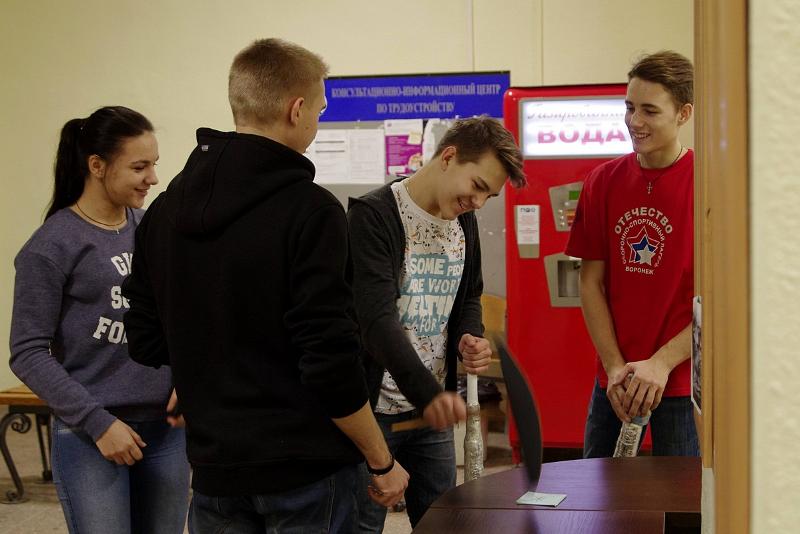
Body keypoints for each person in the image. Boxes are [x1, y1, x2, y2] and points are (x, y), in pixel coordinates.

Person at [121, 38, 408, 533]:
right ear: (296, 110)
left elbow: (145, 339)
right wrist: (381, 460)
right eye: (318, 110)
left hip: (214, 470)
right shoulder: (312, 211)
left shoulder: (164, 211)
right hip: (306, 470)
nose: (316, 123)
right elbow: (329, 359)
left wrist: (214, 366)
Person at [9, 106, 190, 533]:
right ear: (97, 166)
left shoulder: (151, 229)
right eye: (139, 167)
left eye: (154, 165)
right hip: (92, 433)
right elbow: (27, 352)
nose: (153, 178)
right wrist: (98, 423)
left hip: (166, 430)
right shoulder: (50, 246)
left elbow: (178, 318)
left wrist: (185, 379)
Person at [348, 116, 526, 531]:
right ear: (448, 157)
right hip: (375, 415)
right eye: (477, 186)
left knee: (445, 524)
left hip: (431, 417)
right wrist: (431, 396)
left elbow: (469, 295)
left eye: (489, 195)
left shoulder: (463, 219)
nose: (478, 203)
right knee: (360, 526)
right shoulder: (373, 216)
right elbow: (376, 322)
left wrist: (470, 336)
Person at [565, 50, 699, 457]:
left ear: (683, 113)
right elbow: (590, 283)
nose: (634, 121)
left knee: (681, 496)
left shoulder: (709, 184)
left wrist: (661, 363)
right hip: (616, 381)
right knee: (598, 490)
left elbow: (724, 298)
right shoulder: (602, 181)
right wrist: (613, 367)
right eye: (629, 107)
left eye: (649, 110)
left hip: (679, 381)